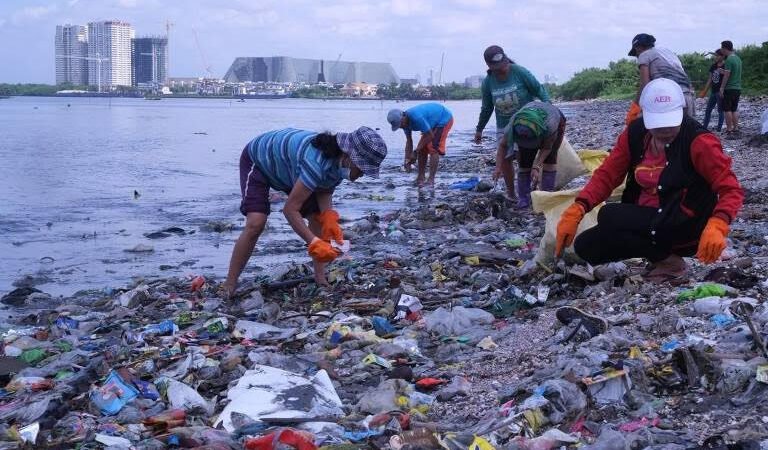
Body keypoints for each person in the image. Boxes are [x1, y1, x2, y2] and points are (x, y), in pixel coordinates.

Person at [555, 78, 743, 283]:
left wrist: (718, 224)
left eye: (670, 123)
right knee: (586, 246)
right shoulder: (635, 135)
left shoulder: (699, 141)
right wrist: (579, 208)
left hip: (688, 225)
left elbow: (730, 189)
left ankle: (672, 264)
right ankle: (660, 255)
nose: (665, 131)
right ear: (646, 116)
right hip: (650, 221)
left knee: (610, 215)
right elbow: (607, 175)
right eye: (658, 125)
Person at [222, 127, 387, 296]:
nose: (362, 175)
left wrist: (329, 219)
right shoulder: (315, 163)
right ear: (349, 157)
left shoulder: (337, 164)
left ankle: (320, 277)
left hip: (289, 169)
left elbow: (324, 189)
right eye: (362, 169)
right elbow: (290, 210)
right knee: (256, 222)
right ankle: (230, 283)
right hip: (259, 160)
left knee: (317, 218)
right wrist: (314, 242)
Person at [474, 45, 550, 200]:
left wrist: (548, 108)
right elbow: (487, 108)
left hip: (525, 123)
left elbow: (538, 89)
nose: (502, 69)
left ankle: (528, 190)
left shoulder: (519, 72)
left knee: (523, 156)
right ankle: (512, 193)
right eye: (497, 67)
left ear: (506, 58)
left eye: (503, 64)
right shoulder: (488, 82)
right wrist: (479, 129)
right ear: (489, 66)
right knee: (505, 159)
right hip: (503, 124)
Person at [495, 101, 566, 208]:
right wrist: (498, 168)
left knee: (550, 158)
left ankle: (546, 197)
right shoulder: (512, 125)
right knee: (524, 162)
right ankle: (524, 199)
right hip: (528, 119)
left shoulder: (551, 125)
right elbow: (502, 146)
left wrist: (536, 167)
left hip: (554, 118)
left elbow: (546, 148)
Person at [625, 34, 695, 124]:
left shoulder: (644, 55)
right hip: (687, 97)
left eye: (636, 54)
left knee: (656, 129)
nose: (637, 56)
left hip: (668, 99)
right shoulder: (667, 54)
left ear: (638, 47)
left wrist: (634, 107)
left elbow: (645, 85)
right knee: (685, 132)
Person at [387, 103, 453, 186]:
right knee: (422, 149)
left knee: (433, 147)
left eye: (400, 124)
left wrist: (415, 152)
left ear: (403, 116)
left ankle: (431, 180)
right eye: (398, 126)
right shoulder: (404, 125)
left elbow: (430, 135)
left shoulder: (416, 117)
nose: (401, 127)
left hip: (443, 119)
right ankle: (421, 177)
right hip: (430, 124)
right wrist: (407, 161)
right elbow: (409, 141)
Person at [699, 49, 726, 132]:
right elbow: (710, 79)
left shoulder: (726, 66)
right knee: (708, 110)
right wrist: (704, 91)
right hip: (713, 91)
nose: (716, 57)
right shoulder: (713, 66)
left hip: (720, 91)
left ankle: (719, 129)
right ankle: (704, 127)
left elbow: (728, 77)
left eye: (718, 55)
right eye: (715, 55)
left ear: (722, 56)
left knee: (720, 110)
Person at [719, 40, 743, 136]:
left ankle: (729, 129)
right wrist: (723, 71)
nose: (721, 50)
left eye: (722, 48)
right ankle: (736, 128)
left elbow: (727, 75)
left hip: (729, 88)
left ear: (725, 48)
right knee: (734, 109)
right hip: (737, 88)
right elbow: (732, 72)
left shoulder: (729, 59)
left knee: (727, 109)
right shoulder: (738, 59)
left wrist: (722, 88)